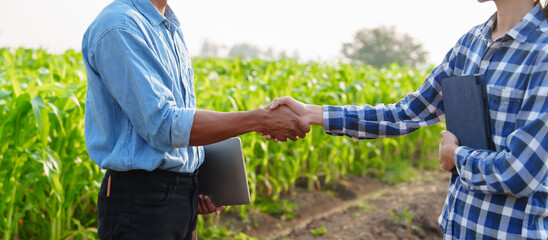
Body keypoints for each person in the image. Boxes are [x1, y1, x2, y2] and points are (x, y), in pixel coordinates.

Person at [267, 0, 548, 239]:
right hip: (459, 229)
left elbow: (521, 172)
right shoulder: (471, 43)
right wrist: (312, 113)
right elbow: (406, 113)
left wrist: (456, 156)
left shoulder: (543, 53)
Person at [81, 0, 310, 239]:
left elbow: (181, 119)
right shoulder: (120, 25)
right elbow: (165, 125)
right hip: (140, 204)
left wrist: (195, 180)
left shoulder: (168, 25)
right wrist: (259, 119)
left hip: (179, 198)